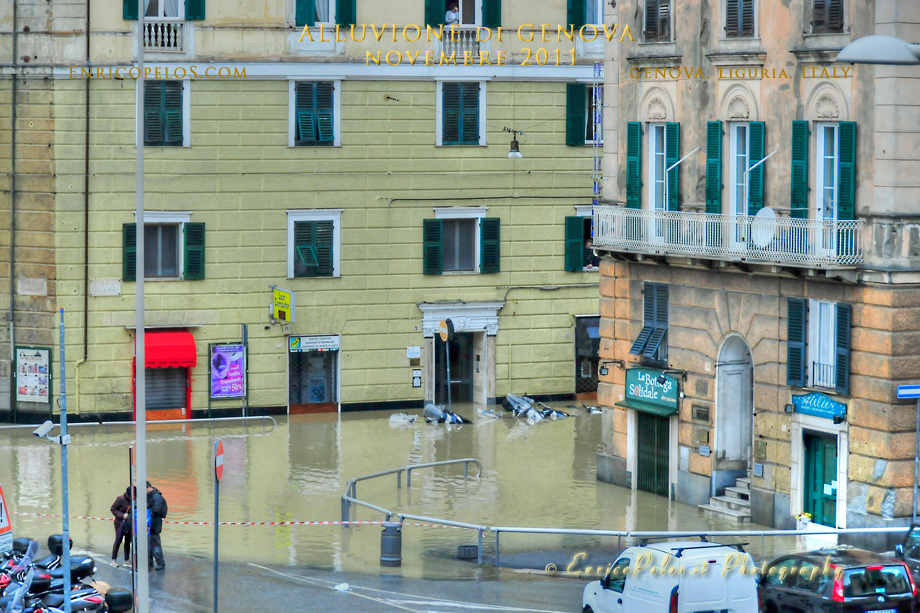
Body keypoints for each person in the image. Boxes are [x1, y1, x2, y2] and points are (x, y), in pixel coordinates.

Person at [110, 486, 135, 566]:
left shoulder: (135, 500)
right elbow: (113, 509)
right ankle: (113, 559)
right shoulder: (120, 499)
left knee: (128, 541)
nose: (134, 496)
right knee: (118, 540)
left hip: (129, 523)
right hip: (120, 523)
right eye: (133, 495)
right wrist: (122, 515)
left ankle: (127, 560)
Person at [146, 481, 168, 570]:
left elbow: (156, 510)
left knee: (155, 544)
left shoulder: (157, 498)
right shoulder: (153, 496)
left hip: (154, 524)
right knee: (151, 544)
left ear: (148, 488)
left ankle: (160, 563)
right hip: (152, 524)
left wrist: (146, 511)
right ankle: (151, 563)